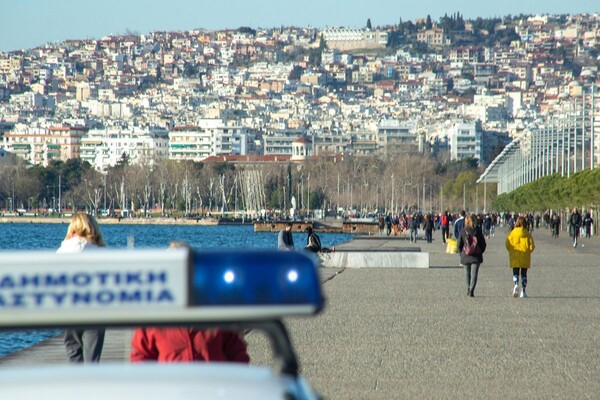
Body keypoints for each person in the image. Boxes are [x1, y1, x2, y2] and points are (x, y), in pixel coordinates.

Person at [56, 213, 106, 363]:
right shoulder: (102, 253)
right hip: (96, 307)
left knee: (72, 347)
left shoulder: (62, 252)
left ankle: (75, 382)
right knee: (93, 353)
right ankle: (91, 382)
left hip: (70, 306)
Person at [457, 214, 487, 297]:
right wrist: (480, 251)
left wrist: (461, 253)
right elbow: (483, 244)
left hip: (465, 255)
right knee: (474, 274)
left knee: (467, 273)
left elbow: (459, 244)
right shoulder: (478, 231)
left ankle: (468, 288)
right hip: (476, 255)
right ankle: (471, 289)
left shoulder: (463, 231)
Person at [505, 216, 535, 298]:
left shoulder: (512, 233)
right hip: (525, 256)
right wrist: (528, 251)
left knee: (515, 272)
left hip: (514, 255)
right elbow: (532, 246)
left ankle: (516, 283)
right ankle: (523, 291)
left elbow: (507, 244)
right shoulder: (527, 234)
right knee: (524, 274)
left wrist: (511, 250)